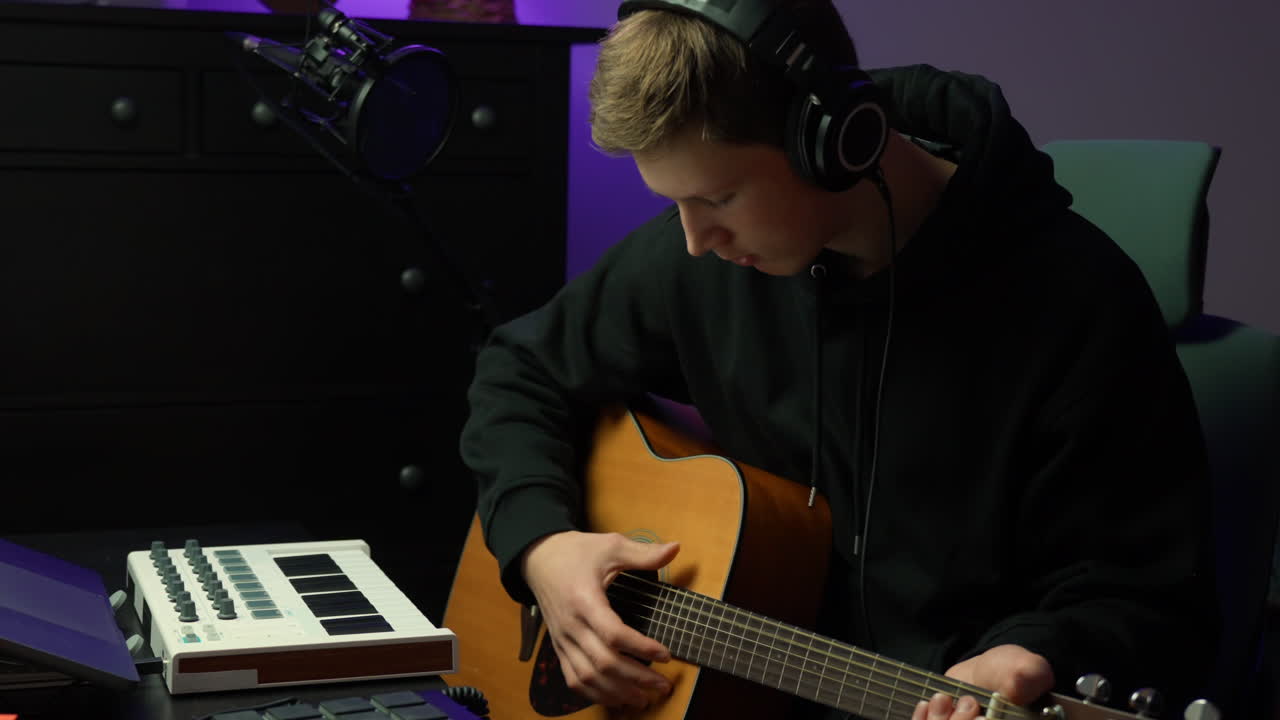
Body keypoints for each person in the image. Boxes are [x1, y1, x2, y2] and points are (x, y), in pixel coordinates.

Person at [459, 1, 1217, 718]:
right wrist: (544, 551)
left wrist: (1036, 653)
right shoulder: (707, 263)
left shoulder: (1077, 302)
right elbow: (521, 370)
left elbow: (1145, 595)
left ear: (832, 143)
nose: (695, 240)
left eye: (718, 198)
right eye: (676, 205)